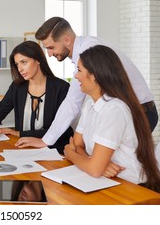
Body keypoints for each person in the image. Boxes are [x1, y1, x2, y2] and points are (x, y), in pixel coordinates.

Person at [23, 16, 158, 150]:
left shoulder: (87, 52)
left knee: (118, 164)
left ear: (67, 40)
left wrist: (45, 141)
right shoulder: (86, 47)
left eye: (51, 47)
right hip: (125, 111)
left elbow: (72, 102)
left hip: (139, 113)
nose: (49, 54)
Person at [64, 45, 160, 192]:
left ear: (95, 75)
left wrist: (71, 155)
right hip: (109, 181)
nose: (76, 76)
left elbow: (90, 165)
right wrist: (95, 162)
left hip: (133, 188)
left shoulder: (114, 110)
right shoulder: (90, 104)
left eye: (79, 70)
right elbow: (78, 145)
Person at [0, 40, 73, 154]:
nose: (20, 69)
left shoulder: (61, 88)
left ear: (38, 60)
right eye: (17, 64)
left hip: (52, 151)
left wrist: (18, 133)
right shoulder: (17, 87)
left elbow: (61, 130)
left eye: (24, 62)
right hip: (23, 149)